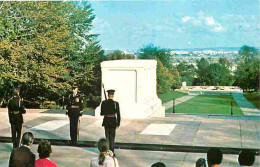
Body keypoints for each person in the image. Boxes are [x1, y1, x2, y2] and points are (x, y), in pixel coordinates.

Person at [100, 89, 121, 154]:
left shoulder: (104, 103)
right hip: (113, 121)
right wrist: (118, 123)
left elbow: (102, 113)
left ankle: (107, 151)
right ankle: (112, 151)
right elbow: (118, 114)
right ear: (113, 95)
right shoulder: (116, 103)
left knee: (107, 137)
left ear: (108, 95)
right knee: (112, 137)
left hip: (106, 120)